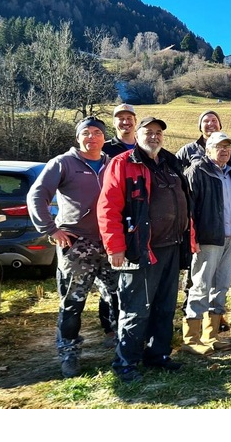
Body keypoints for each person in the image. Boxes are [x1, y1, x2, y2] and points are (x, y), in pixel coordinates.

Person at [97, 116, 194, 383]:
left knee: (164, 306)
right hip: (140, 249)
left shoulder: (170, 163)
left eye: (158, 132)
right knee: (136, 307)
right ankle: (125, 362)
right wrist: (114, 247)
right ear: (137, 135)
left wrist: (190, 236)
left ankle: (158, 355)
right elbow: (107, 209)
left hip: (172, 248)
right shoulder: (122, 164)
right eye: (148, 132)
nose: (154, 136)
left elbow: (186, 202)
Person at [27, 116, 116, 378]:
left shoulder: (111, 164)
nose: (92, 137)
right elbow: (36, 195)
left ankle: (123, 347)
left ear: (104, 137)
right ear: (78, 137)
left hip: (109, 243)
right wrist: (51, 229)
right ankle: (69, 353)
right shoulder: (63, 163)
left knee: (117, 297)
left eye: (97, 133)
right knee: (73, 302)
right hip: (77, 244)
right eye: (86, 133)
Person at [182, 131, 231, 355]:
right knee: (200, 287)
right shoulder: (196, 172)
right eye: (219, 146)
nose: (224, 150)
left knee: (220, 288)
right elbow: (187, 209)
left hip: (230, 237)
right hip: (207, 239)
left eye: (228, 146)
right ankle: (191, 338)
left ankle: (211, 335)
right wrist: (192, 239)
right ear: (207, 149)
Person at [98, 103, 138, 346]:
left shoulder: (145, 147)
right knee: (110, 281)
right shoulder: (106, 150)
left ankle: (134, 324)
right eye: (120, 118)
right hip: (115, 222)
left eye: (129, 118)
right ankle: (111, 328)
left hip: (140, 225)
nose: (125, 122)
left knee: (134, 281)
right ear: (114, 123)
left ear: (136, 121)